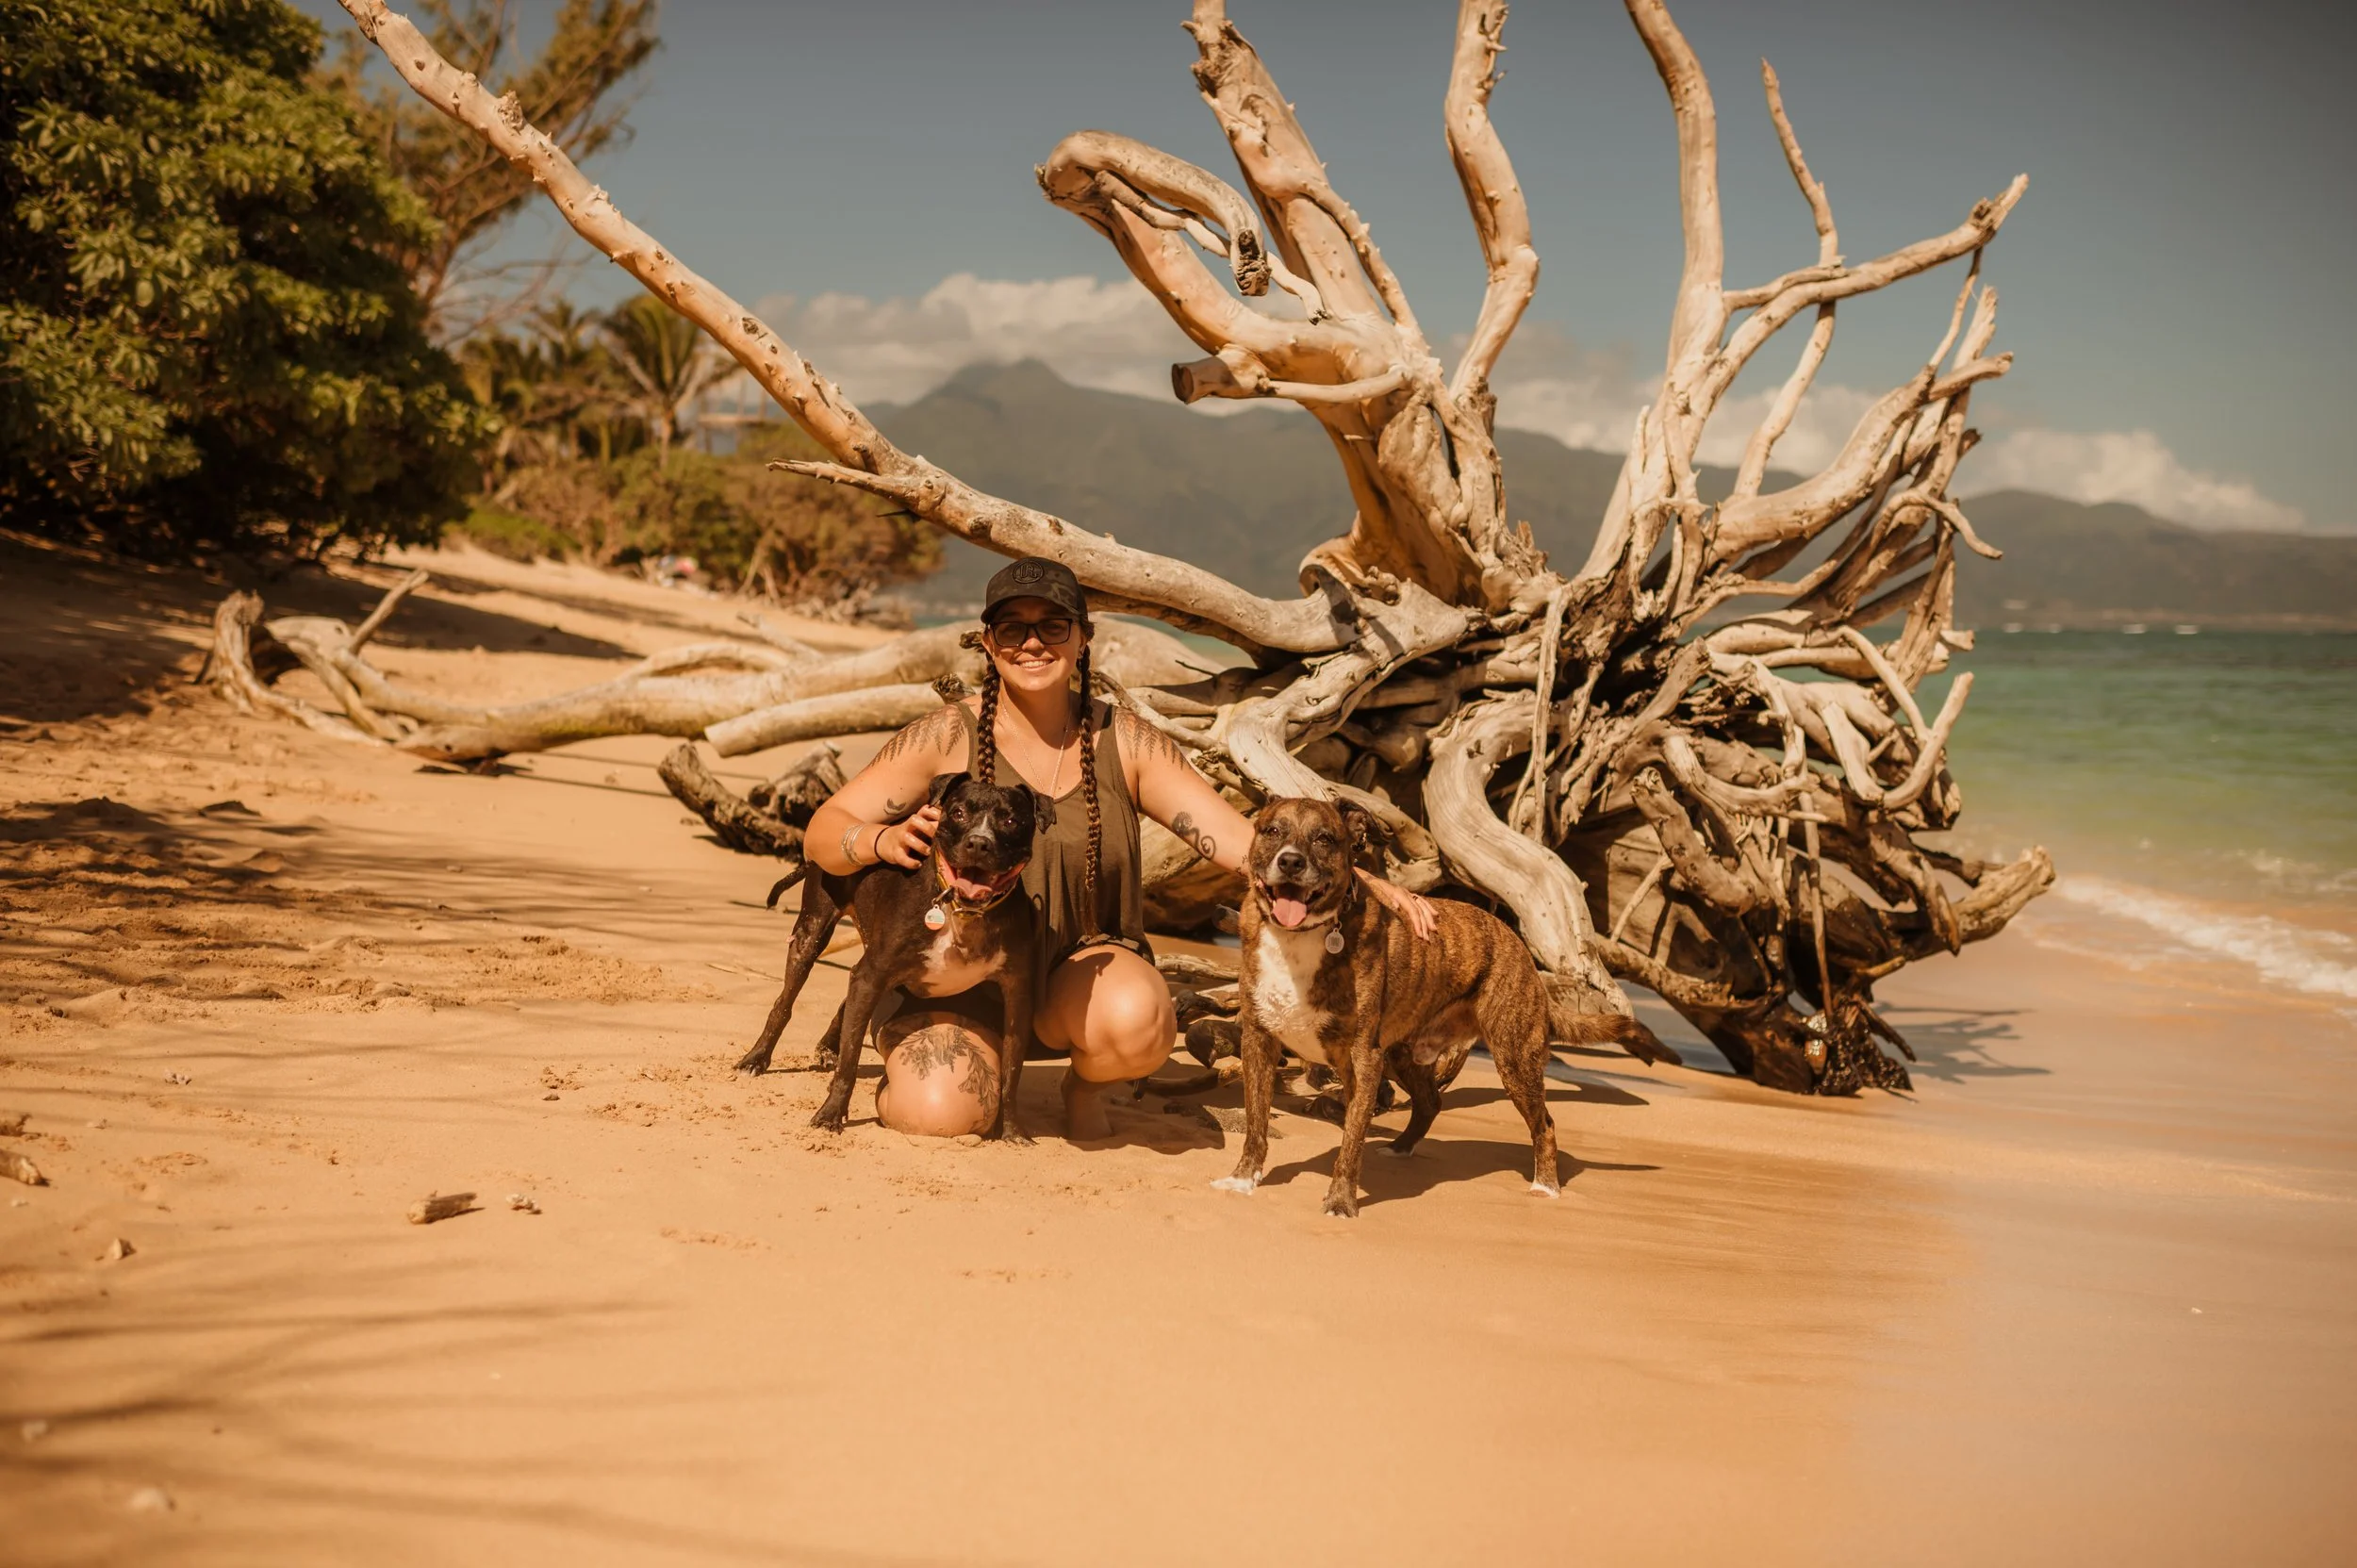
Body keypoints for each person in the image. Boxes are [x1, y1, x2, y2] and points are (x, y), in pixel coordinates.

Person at [803, 556, 1434, 1140]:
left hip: (1071, 981)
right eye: (1013, 628)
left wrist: (1359, 881)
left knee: (1140, 1019)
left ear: (1083, 638)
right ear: (989, 643)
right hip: (946, 982)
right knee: (937, 1113)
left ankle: (1083, 1086)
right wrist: (878, 838)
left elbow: (1236, 842)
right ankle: (926, 1048)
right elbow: (824, 831)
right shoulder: (945, 734)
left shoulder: (1125, 740)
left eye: (1053, 626)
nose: (1033, 643)